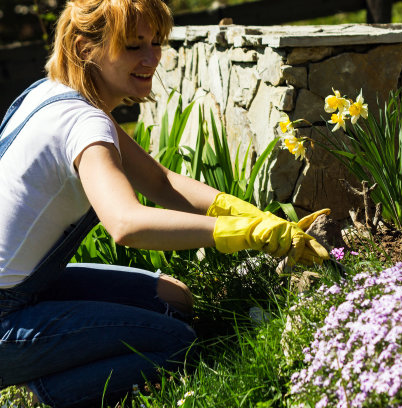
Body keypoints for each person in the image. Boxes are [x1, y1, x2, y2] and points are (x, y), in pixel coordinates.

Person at [0, 0, 329, 406]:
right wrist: (243, 234)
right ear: (86, 49)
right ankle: (46, 392)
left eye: (155, 42)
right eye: (134, 46)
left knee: (176, 298)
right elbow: (126, 224)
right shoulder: (84, 123)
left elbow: (161, 181)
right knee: (177, 344)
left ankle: (48, 362)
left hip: (25, 287)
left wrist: (254, 216)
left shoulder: (50, 94)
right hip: (6, 316)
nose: (152, 58)